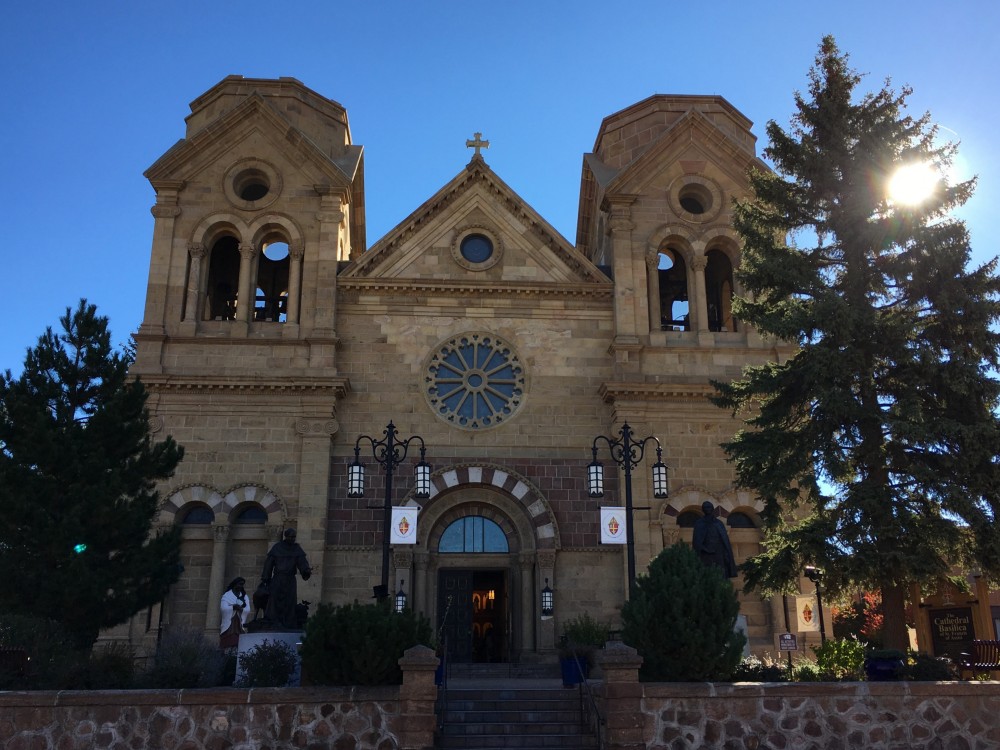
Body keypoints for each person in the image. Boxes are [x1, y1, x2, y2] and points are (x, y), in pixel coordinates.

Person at [260, 528, 312, 630]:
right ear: (286, 536)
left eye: (294, 537)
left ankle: (288, 623)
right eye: (291, 537)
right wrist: (266, 578)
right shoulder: (277, 548)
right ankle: (273, 622)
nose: (293, 539)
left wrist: (306, 570)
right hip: (278, 578)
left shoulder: (297, 549)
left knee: (290, 601)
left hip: (290, 580)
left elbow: (302, 562)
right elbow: (268, 564)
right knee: (274, 600)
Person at [692, 501, 738, 578]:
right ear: (703, 509)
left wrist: (726, 553)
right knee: (707, 575)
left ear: (712, 509)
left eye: (709, 507)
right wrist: (705, 549)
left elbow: (724, 540)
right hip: (705, 554)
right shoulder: (699, 523)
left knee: (721, 575)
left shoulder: (718, 523)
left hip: (718, 553)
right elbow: (697, 541)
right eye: (705, 507)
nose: (707, 509)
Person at [219, 576, 250, 649]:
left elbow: (247, 609)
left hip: (239, 622)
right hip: (230, 622)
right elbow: (223, 608)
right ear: (235, 584)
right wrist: (233, 607)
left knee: (239, 640)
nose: (241, 586)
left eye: (242, 584)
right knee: (228, 640)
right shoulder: (227, 595)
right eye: (239, 584)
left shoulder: (244, 596)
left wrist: (241, 609)